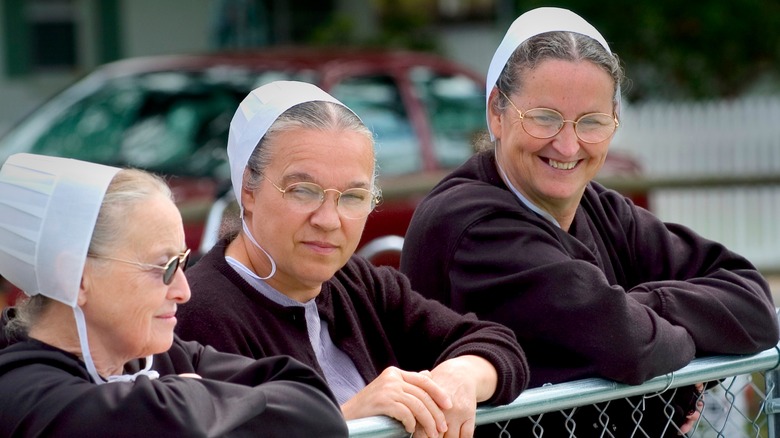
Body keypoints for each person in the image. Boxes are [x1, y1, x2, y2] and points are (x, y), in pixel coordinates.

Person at [400, 6, 779, 437]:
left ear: (614, 122)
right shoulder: (469, 225)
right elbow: (633, 346)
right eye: (544, 117)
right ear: (497, 113)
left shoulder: (599, 208)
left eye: (591, 122)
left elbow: (754, 306)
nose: (567, 144)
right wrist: (683, 354)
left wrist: (644, 307)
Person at [174, 80, 529, 438]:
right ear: (248, 187)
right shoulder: (197, 313)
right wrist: (348, 419)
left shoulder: (356, 282)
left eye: (353, 196)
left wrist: (459, 377)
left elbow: (496, 344)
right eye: (303, 191)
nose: (328, 220)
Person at [0, 153, 348, 437]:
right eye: (163, 267)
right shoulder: (18, 393)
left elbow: (315, 404)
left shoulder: (163, 357)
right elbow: (159, 422)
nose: (183, 291)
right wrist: (185, 395)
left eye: (183, 263)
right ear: (75, 278)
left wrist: (186, 402)